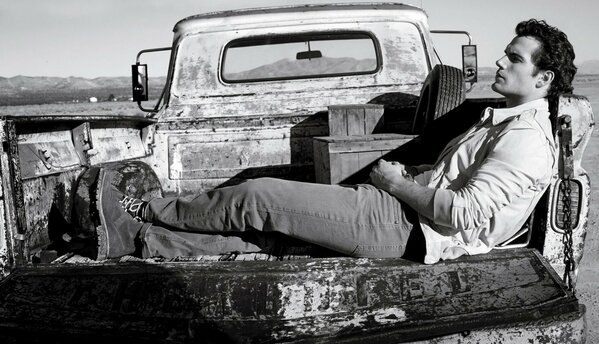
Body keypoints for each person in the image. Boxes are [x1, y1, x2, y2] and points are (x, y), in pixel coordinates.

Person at [94, 19, 576, 264]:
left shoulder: (526, 139)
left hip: (407, 229)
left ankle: (151, 211)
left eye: (513, 59)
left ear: (543, 77)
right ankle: (138, 240)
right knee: (265, 237)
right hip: (403, 214)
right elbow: (458, 186)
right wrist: (414, 179)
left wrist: (396, 185)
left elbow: (464, 214)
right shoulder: (502, 119)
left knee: (260, 195)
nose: (500, 62)